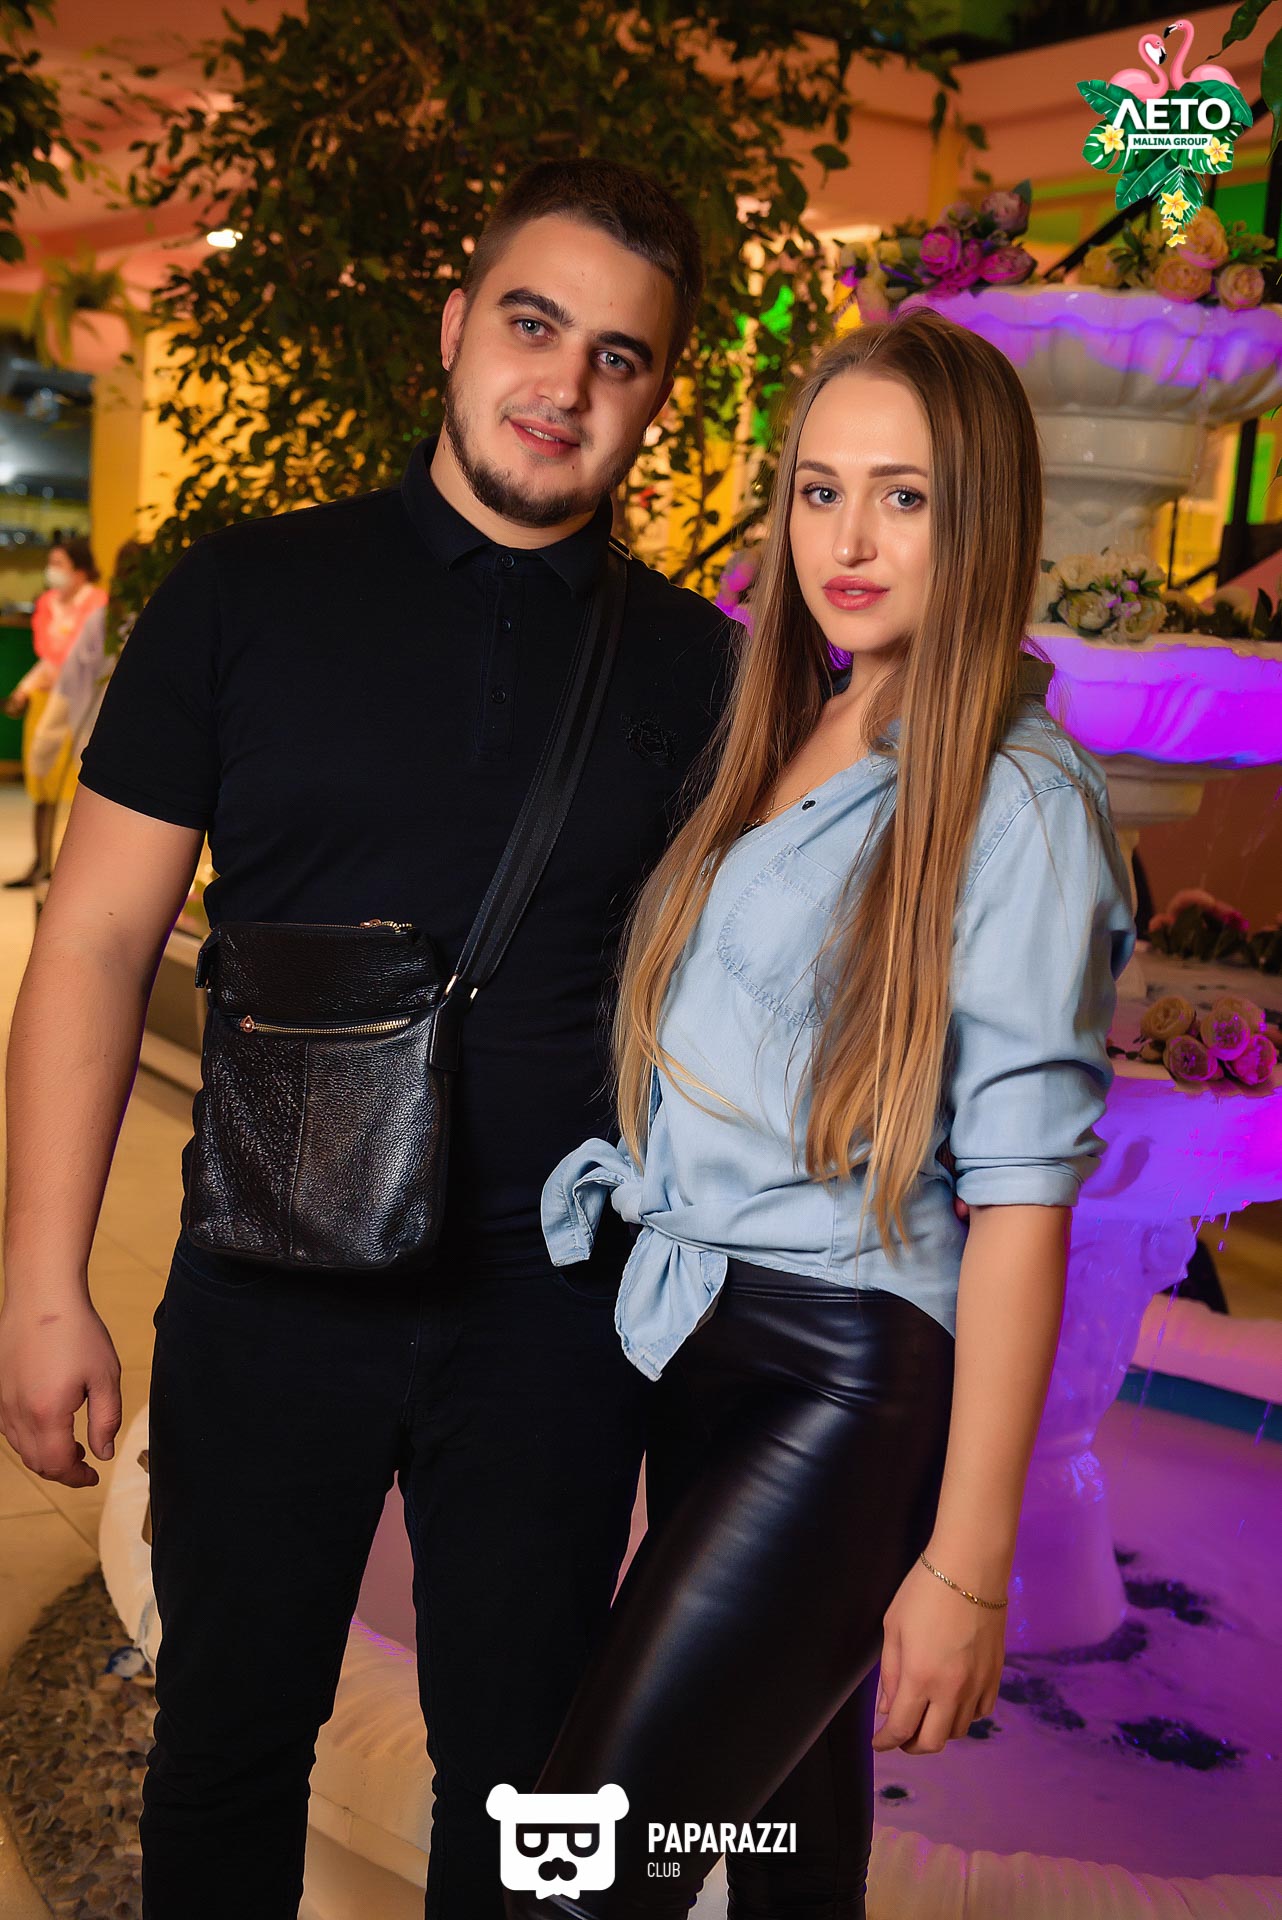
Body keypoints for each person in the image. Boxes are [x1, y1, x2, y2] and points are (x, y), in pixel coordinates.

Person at [0, 160, 732, 1920]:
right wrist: (38, 1283)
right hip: (271, 1275)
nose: (564, 383)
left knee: (526, 1789)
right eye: (534, 324)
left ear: (656, 396)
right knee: (226, 1749)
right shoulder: (244, 597)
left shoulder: (701, 669)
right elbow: (93, 943)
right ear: (455, 326)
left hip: (555, 1317)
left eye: (618, 356)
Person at [502, 307, 1138, 1918]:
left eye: (903, 497)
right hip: (700, 1342)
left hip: (843, 1379)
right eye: (819, 490)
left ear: (979, 516)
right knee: (787, 1847)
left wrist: (964, 1566)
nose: (847, 542)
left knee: (575, 1872)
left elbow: (1021, 1209)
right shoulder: (785, 725)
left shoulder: (1020, 799)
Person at [3, 535, 107, 888]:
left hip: (83, 706)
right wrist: (25, 689)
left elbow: (75, 664)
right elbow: (50, 657)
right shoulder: (48, 603)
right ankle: (42, 863)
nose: (52, 571)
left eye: (60, 564)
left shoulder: (96, 605)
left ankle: (71, 870)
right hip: (49, 702)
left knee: (78, 787)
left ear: (80, 570)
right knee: (42, 782)